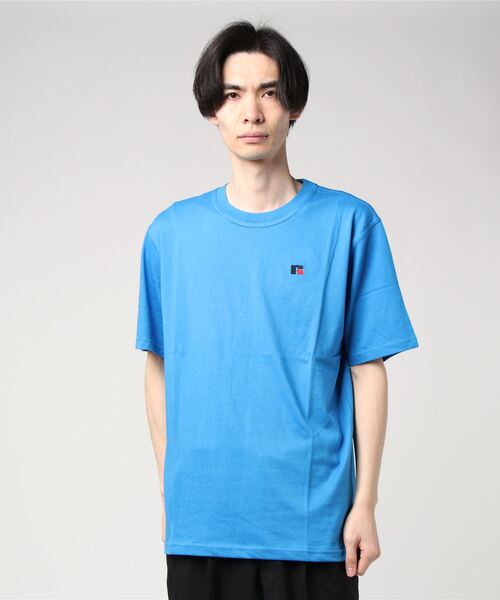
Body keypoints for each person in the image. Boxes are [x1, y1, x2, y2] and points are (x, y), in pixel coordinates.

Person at [135, 19, 419, 600]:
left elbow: (368, 370)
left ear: (294, 106)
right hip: (204, 525)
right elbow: (159, 364)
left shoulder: (349, 224)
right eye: (233, 95)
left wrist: (365, 502)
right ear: (212, 111)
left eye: (269, 92)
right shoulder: (171, 234)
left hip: (313, 523)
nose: (252, 112)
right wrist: (173, 489)